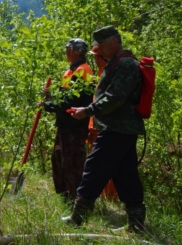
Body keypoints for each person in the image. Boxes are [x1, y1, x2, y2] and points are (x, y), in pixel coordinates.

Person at [67, 26, 146, 232]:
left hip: (117, 128)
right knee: (125, 174)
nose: (99, 50)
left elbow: (115, 98)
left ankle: (77, 219)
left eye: (101, 45)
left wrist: (87, 111)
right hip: (119, 128)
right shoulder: (117, 63)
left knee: (93, 168)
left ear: (114, 41)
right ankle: (135, 225)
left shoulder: (126, 64)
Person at [39, 38, 94, 203]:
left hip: (75, 126)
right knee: (58, 158)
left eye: (68, 49)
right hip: (64, 124)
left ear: (75, 51)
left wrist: (48, 105)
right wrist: (50, 98)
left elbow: (71, 101)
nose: (66, 51)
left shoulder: (83, 71)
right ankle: (64, 197)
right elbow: (64, 98)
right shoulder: (69, 71)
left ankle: (77, 200)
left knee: (72, 162)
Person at [86, 44, 118, 201]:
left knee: (104, 164)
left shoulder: (109, 76)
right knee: (98, 164)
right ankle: (103, 195)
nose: (94, 60)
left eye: (95, 57)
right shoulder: (102, 74)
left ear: (101, 58)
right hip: (96, 127)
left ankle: (110, 196)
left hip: (103, 129)